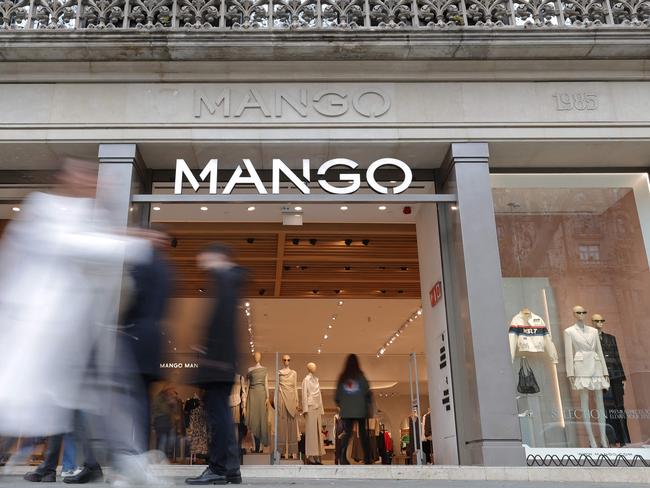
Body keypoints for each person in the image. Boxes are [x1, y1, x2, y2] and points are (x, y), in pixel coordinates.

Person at [185, 244, 246, 485]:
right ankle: (230, 469)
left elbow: (220, 323)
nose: (201, 259)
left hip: (217, 362)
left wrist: (206, 352)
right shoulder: (229, 281)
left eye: (205, 255)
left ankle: (219, 468)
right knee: (220, 415)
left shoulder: (224, 281)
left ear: (218, 257)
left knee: (218, 416)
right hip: (222, 361)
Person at [335, 354, 372, 465]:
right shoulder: (361, 376)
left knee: (348, 433)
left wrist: (344, 405)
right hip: (360, 410)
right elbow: (367, 391)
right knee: (363, 433)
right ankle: (367, 458)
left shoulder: (342, 378)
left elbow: (337, 396)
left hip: (346, 411)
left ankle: (342, 457)